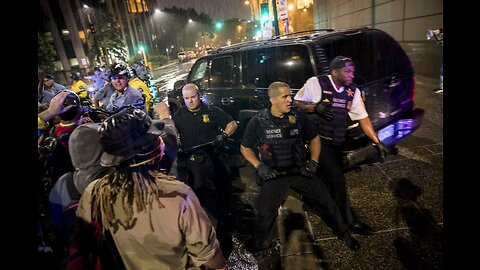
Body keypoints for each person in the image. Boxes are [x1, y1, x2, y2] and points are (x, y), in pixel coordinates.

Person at [74, 107, 227, 269]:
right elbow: (210, 258)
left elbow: (84, 247)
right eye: (156, 137)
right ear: (149, 150)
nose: (161, 141)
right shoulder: (177, 196)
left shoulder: (94, 191)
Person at [240, 81, 360, 252]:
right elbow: (245, 147)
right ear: (272, 99)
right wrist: (259, 166)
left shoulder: (297, 116)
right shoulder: (258, 121)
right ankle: (257, 244)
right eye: (285, 96)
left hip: (299, 171)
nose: (290, 100)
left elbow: (314, 138)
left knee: (327, 202)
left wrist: (314, 161)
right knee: (265, 214)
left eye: (290, 95)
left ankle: (344, 233)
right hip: (274, 176)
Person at [293, 56, 389, 236]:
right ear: (334, 71)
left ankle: (313, 202)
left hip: (337, 141)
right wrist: (315, 107)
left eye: (353, 71)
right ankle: (348, 222)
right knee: (338, 179)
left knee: (324, 176)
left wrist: (377, 141)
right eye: (347, 71)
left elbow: (363, 118)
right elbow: (297, 102)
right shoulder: (317, 83)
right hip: (318, 141)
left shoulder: (353, 91)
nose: (352, 75)